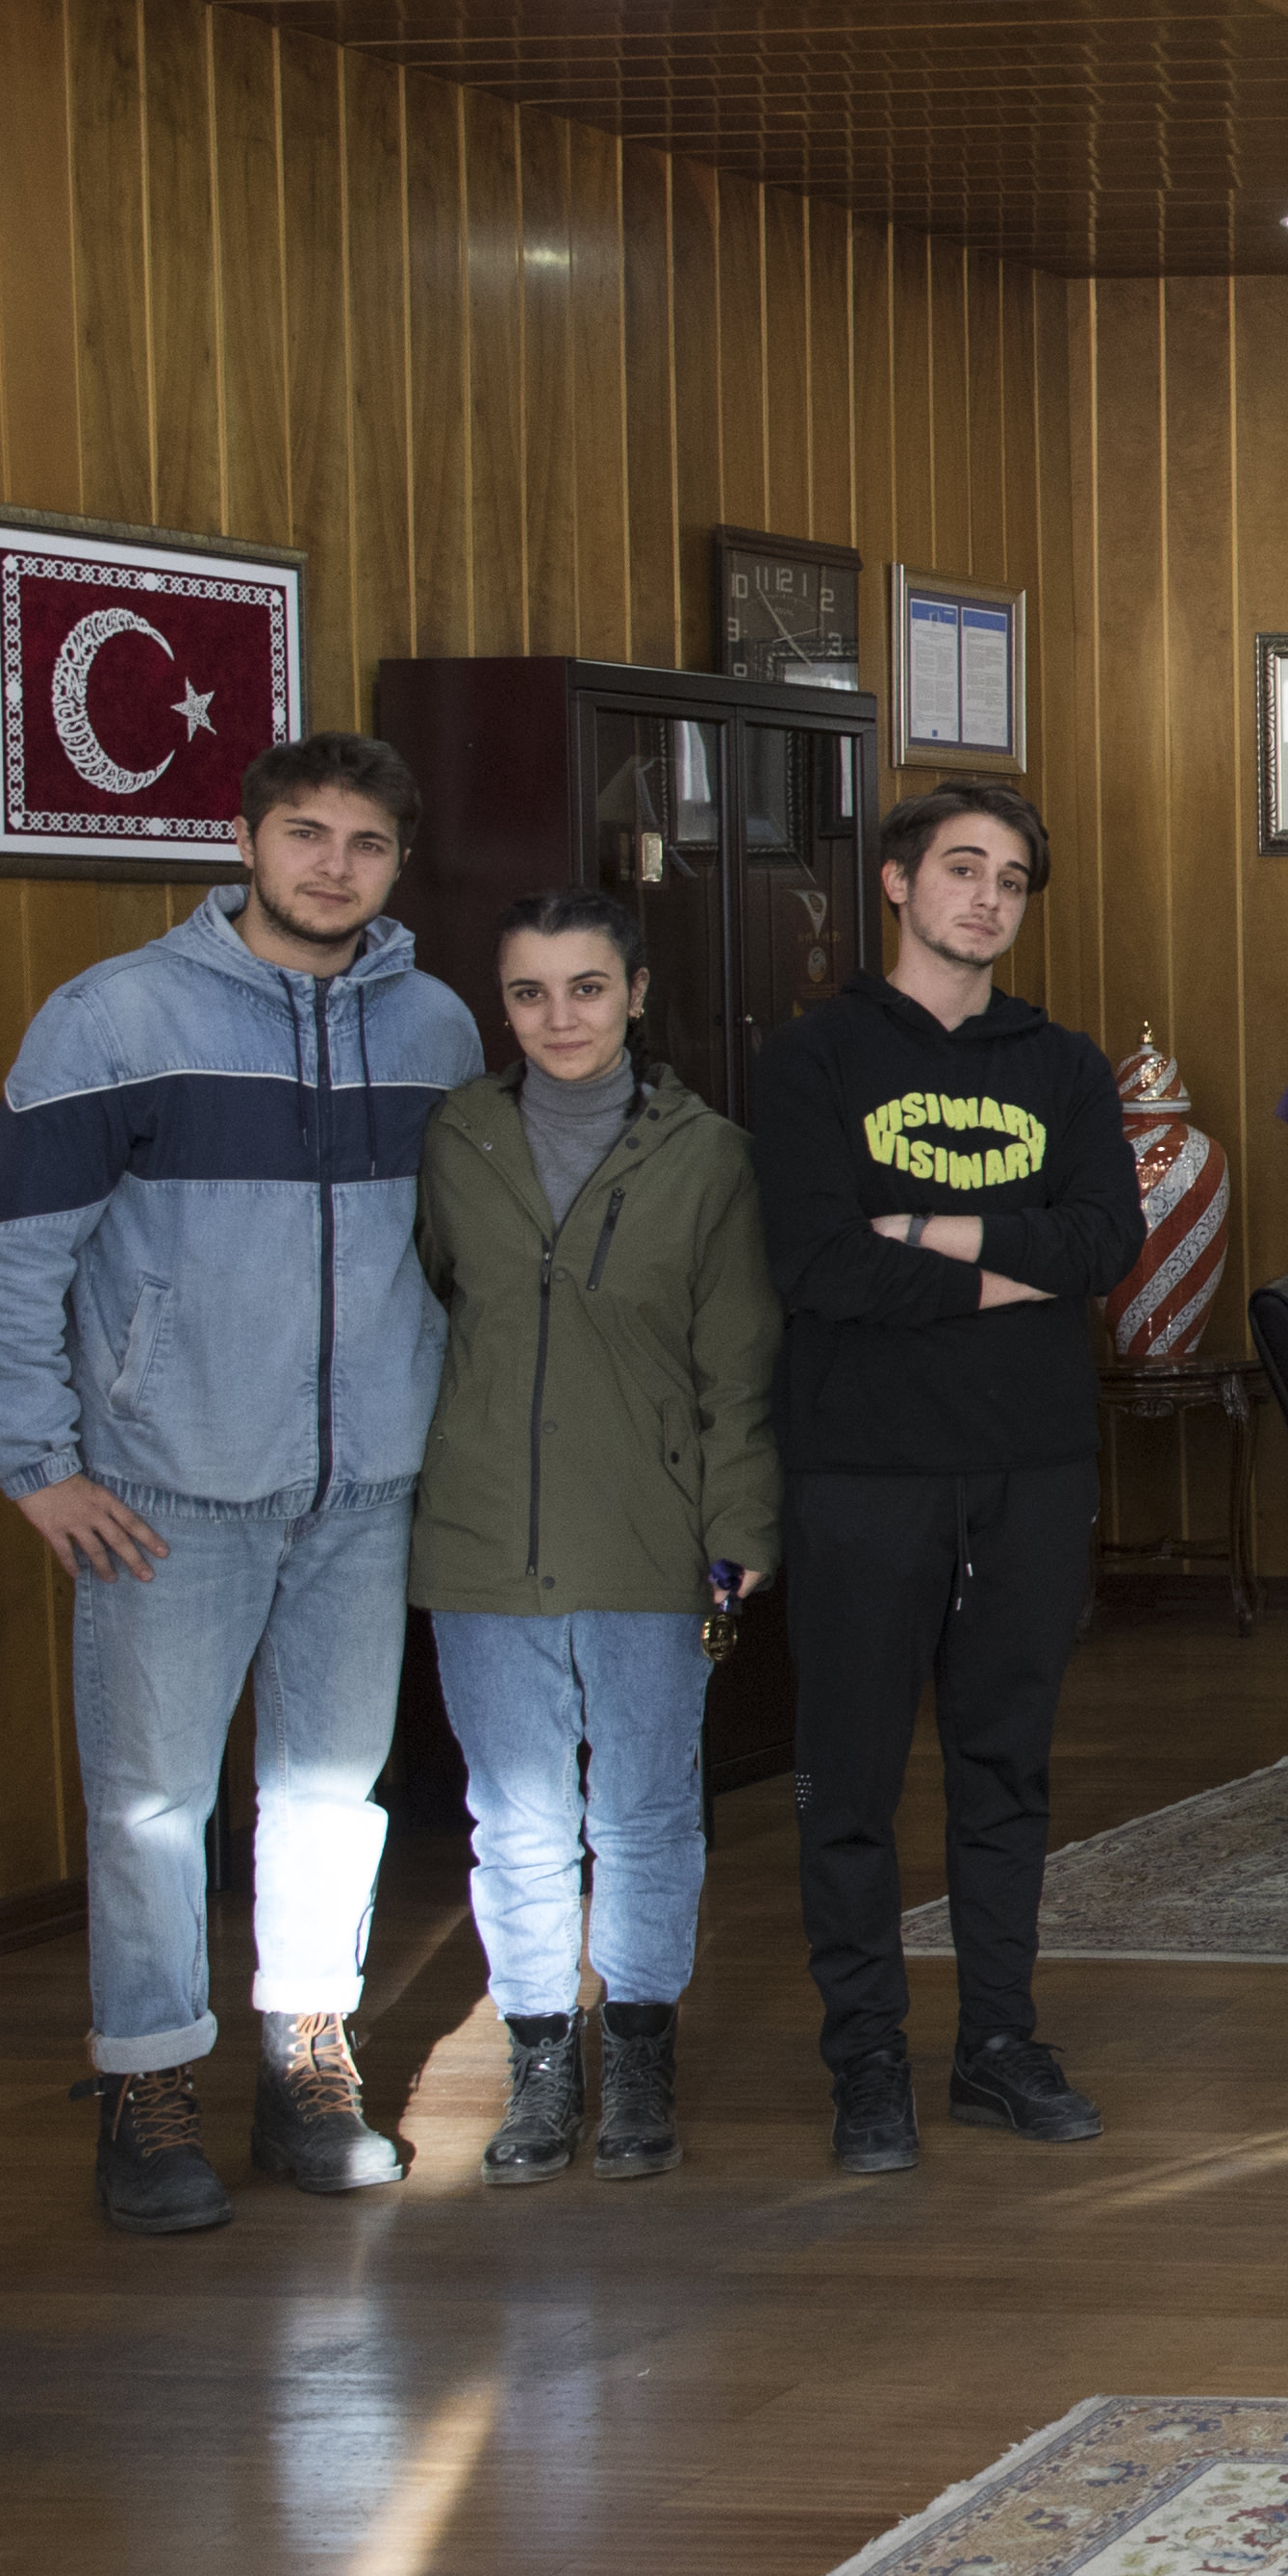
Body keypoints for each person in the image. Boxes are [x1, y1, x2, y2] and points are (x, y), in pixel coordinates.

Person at [0, 733, 483, 2232]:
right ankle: (149, 2089)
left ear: (398, 865)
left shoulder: (436, 1026)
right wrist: (37, 1467)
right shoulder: (114, 1019)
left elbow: (456, 1254)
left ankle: (308, 2070)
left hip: (365, 1489)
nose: (332, 867)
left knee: (327, 1802)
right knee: (151, 1809)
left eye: (365, 844)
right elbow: (0, 1261)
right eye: (304, 834)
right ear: (244, 843)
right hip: (164, 1492)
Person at [755, 778, 1140, 2176]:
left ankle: (998, 2044)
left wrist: (921, 1230)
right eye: (962, 868)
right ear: (899, 882)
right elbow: (819, 1264)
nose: (987, 897)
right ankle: (866, 2057)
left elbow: (1103, 1245)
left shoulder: (1065, 1066)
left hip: (1029, 1467)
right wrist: (1009, 1259)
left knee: (1005, 1773)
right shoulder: (815, 1058)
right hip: (863, 1469)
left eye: (1012, 879)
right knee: (851, 1779)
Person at [410, 891, 782, 2185]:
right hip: (481, 1535)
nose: (558, 1017)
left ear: (635, 993)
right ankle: (538, 2059)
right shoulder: (455, 1138)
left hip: (649, 1531)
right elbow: (427, 1311)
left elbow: (739, 1362)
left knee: (645, 1811)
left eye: (586, 987)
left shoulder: (712, 1158)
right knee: (515, 1820)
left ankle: (636, 2052)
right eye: (529, 993)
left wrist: (739, 1523)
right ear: (502, 1007)